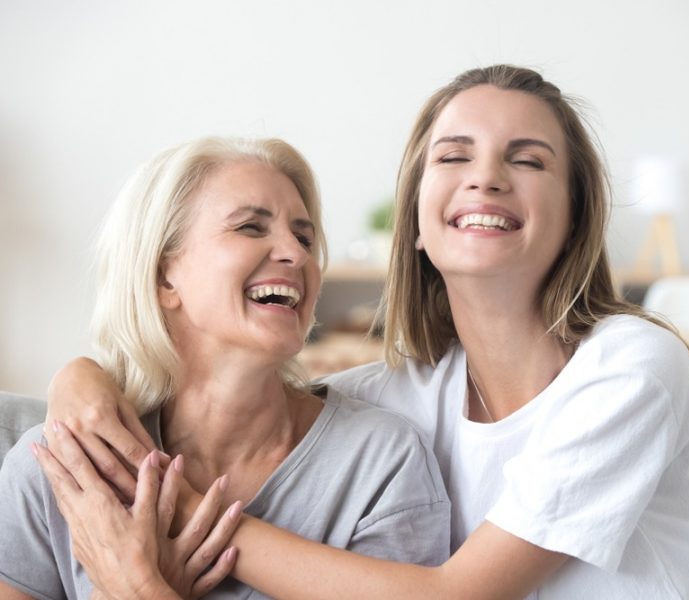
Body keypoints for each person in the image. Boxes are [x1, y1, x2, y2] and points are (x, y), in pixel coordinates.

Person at [41, 65, 689, 598]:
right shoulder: (405, 396)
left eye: (527, 159)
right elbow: (249, 391)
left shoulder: (631, 367)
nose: (486, 177)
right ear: (415, 219)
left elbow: (451, 597)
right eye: (453, 156)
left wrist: (174, 525)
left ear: (575, 214)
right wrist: (82, 376)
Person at [0, 137, 450, 599]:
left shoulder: (380, 464)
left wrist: (138, 588)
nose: (296, 255)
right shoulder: (58, 466)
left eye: (304, 237)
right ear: (162, 276)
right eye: (251, 228)